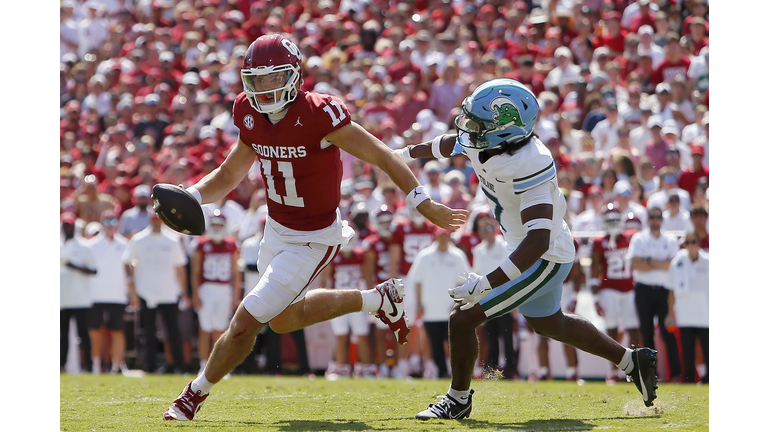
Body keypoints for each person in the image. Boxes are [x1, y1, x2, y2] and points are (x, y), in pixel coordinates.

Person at [164, 35, 467, 421]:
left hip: (313, 238)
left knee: (246, 322)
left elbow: (383, 155)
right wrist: (189, 195)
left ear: (295, 77)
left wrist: (423, 203)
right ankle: (379, 300)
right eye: (257, 80)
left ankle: (193, 394)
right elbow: (228, 176)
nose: (265, 89)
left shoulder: (320, 114)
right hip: (275, 229)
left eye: (275, 79)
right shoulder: (248, 113)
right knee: (283, 319)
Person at [395, 79, 658, 419]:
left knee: (462, 317)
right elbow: (451, 144)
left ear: (504, 130)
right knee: (549, 323)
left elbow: (538, 240)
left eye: (479, 123)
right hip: (527, 246)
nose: (469, 129)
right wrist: (403, 154)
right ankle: (631, 360)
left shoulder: (530, 162)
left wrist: (487, 282)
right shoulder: (487, 139)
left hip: (544, 256)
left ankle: (458, 400)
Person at [124, 213, 190, 375]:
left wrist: (184, 291)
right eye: (154, 220)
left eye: (159, 220)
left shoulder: (173, 240)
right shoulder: (139, 239)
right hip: (146, 293)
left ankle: (179, 366)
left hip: (169, 293)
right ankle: (149, 366)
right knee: (148, 332)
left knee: (173, 331)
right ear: (149, 221)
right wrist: (132, 285)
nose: (156, 223)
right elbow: (127, 261)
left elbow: (180, 267)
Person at [627, 206, 682, 382]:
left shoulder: (671, 239)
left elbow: (672, 266)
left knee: (668, 332)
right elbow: (636, 264)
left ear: (662, 219)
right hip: (643, 289)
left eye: (658, 217)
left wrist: (649, 261)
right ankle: (651, 375)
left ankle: (676, 374)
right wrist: (660, 262)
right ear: (648, 219)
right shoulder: (638, 238)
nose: (655, 220)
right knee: (647, 331)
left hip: (665, 290)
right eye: (652, 217)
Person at [590, 205, 642, 384]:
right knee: (611, 330)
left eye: (615, 220)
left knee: (633, 329)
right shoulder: (599, 242)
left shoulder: (632, 237)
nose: (613, 224)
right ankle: (612, 371)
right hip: (609, 289)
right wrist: (595, 298)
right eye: (609, 220)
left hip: (629, 289)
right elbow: (594, 269)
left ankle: (638, 368)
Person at [410, 227, 471, 379]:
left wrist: (460, 303)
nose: (443, 239)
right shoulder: (424, 256)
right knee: (435, 344)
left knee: (453, 343)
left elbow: (464, 282)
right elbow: (417, 281)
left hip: (450, 309)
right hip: (430, 309)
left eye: (446, 236)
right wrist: (418, 303)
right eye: (440, 236)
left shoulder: (457, 256)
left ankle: (457, 372)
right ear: (435, 237)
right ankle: (441, 372)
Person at [320, 230, 376, 379]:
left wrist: (373, 298)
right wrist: (324, 299)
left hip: (357, 300)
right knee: (341, 336)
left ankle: (366, 368)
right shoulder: (334, 256)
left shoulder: (360, 254)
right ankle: (342, 368)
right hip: (338, 301)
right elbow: (325, 279)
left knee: (362, 335)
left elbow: (367, 276)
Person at [86, 210, 136, 375]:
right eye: (106, 221)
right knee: (95, 332)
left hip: (118, 296)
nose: (110, 224)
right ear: (101, 222)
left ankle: (117, 366)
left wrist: (133, 295)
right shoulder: (91, 245)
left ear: (118, 223)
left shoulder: (124, 245)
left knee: (117, 332)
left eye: (113, 221)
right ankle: (96, 365)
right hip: (95, 295)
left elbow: (129, 272)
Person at [191, 210, 241, 373]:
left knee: (220, 328)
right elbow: (195, 271)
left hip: (224, 289)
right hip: (206, 288)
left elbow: (235, 272)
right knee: (205, 328)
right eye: (215, 225)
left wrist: (236, 296)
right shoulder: (201, 243)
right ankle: (202, 365)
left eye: (220, 225)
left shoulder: (231, 244)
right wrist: (195, 294)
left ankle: (217, 366)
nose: (218, 228)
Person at [471, 215, 517, 379]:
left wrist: (514, 300)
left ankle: (511, 370)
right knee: (490, 335)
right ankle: (493, 370)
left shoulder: (505, 246)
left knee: (507, 335)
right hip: (487, 300)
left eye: (489, 227)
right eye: (483, 229)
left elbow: (513, 274)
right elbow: (477, 276)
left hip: (505, 297)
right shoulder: (478, 250)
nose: (487, 232)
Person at [665, 232, 709, 384]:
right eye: (687, 242)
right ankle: (689, 379)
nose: (690, 245)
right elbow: (671, 290)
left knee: (708, 350)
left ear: (698, 242)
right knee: (687, 351)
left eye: (693, 241)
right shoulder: (677, 262)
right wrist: (670, 313)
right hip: (685, 314)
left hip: (706, 314)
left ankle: (708, 379)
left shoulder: (709, 261)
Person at [60, 211, 97, 373]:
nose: (67, 227)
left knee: (84, 333)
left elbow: (93, 270)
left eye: (69, 224)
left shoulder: (84, 246)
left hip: (81, 298)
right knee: (63, 335)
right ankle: (62, 365)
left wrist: (74, 266)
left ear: (74, 226)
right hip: (62, 299)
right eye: (65, 225)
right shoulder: (58, 246)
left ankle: (87, 365)